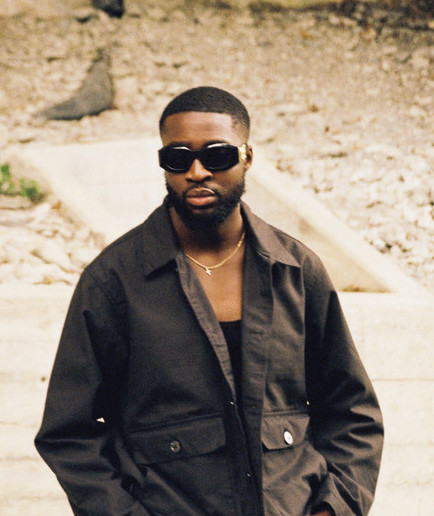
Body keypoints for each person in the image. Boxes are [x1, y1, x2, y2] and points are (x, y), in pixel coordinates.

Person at [35, 86, 384, 516]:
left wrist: (333, 508)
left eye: (217, 155)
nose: (197, 171)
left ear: (247, 157)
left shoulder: (295, 270)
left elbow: (353, 412)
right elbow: (69, 432)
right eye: (177, 158)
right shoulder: (113, 282)